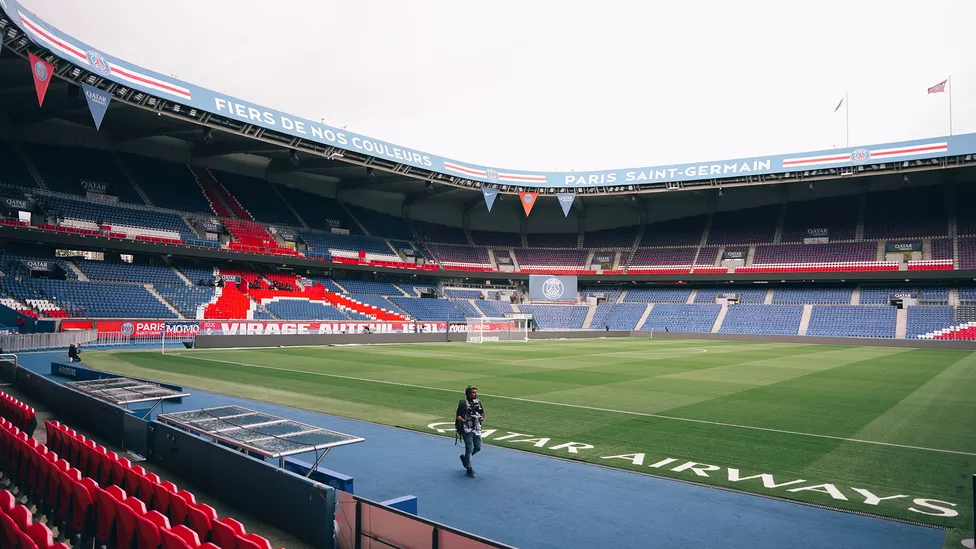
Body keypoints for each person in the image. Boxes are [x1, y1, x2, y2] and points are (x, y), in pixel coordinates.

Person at [455, 385, 485, 478]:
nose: (475, 394)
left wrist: (481, 418)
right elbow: (458, 416)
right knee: (469, 448)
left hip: (476, 428)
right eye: (473, 392)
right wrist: (463, 420)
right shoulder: (463, 403)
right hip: (467, 429)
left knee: (478, 447)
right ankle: (469, 468)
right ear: (468, 394)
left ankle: (466, 459)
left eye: (476, 392)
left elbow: (482, 414)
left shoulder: (479, 402)